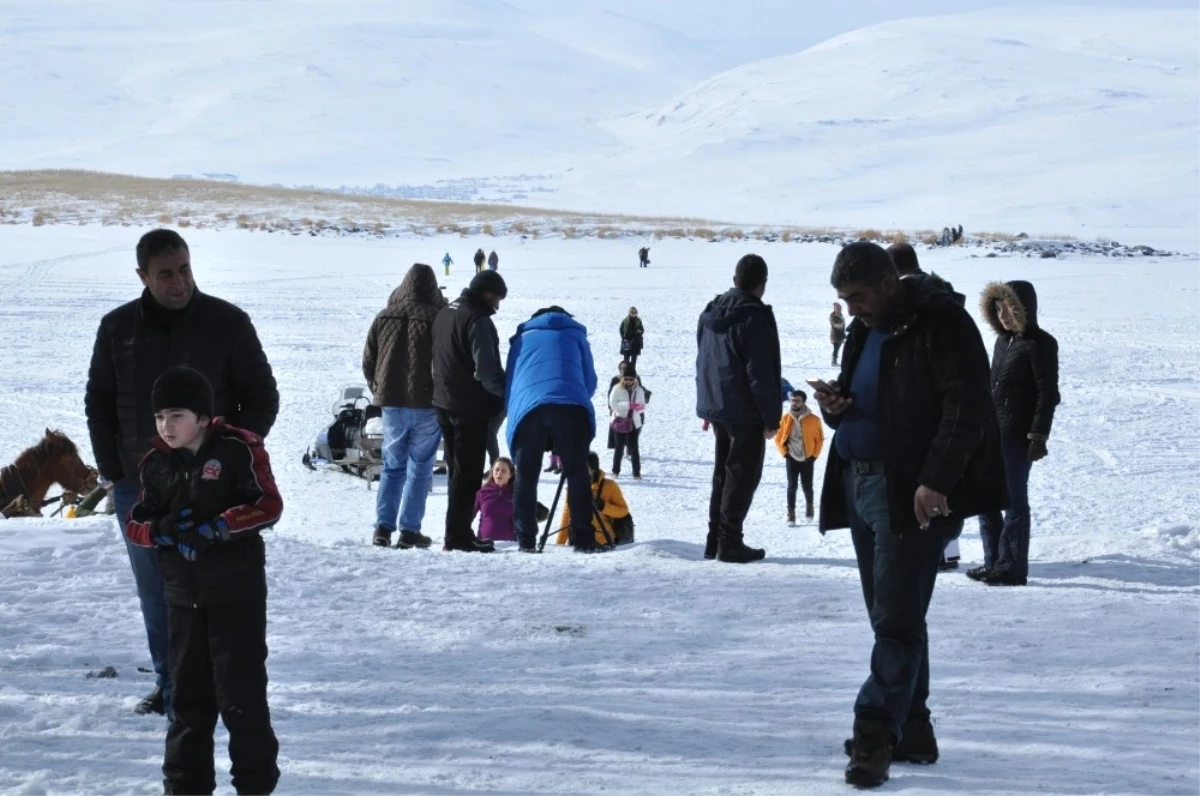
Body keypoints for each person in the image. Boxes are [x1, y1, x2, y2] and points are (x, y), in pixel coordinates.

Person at [813, 242, 1005, 788]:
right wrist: (836, 407)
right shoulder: (861, 330)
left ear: (889, 283)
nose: (851, 309)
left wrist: (936, 480)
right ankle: (913, 731)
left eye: (858, 297)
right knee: (892, 621)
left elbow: (968, 407)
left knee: (895, 623)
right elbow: (865, 397)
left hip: (911, 494)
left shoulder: (944, 323)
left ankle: (872, 736)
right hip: (858, 483)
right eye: (844, 299)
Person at [85, 229, 278, 720]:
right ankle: (173, 684)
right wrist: (113, 468)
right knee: (157, 588)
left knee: (216, 586)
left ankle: (218, 684)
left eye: (185, 269)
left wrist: (232, 455)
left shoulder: (227, 323)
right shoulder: (116, 329)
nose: (180, 282)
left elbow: (260, 395)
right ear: (143, 276)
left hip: (215, 483)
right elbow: (100, 403)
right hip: (142, 483)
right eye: (166, 274)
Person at [126, 366, 281, 796]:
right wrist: (163, 529)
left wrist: (220, 527)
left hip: (236, 593)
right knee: (187, 703)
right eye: (159, 417)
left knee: (242, 699)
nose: (166, 426)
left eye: (176, 415)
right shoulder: (156, 461)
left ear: (201, 416)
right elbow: (135, 522)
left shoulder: (237, 448)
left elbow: (268, 504)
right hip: (181, 597)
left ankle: (254, 787)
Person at [971, 280, 1060, 586]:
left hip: (1017, 436)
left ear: (1025, 309)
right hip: (991, 433)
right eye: (998, 309)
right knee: (986, 498)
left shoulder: (1040, 343)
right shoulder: (1002, 342)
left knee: (1013, 500)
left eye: (1009, 308)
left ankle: (1012, 567)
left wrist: (1038, 435)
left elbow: (1047, 394)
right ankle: (993, 561)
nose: (1004, 314)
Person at [696, 253, 782, 564]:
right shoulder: (754, 317)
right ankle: (728, 542)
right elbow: (759, 372)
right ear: (763, 285)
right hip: (744, 410)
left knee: (723, 473)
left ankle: (715, 540)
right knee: (741, 475)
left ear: (735, 280)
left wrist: (707, 401)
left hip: (718, 404)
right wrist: (771, 417)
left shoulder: (710, 312)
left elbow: (703, 356)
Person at [886, 242, 966, 571]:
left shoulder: (914, 299)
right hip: (942, 402)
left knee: (928, 478)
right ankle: (949, 551)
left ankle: (936, 549)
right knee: (946, 482)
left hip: (924, 406)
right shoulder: (941, 292)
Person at [362, 263, 446, 550]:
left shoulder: (383, 316)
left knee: (392, 466)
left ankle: (383, 529)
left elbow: (369, 361)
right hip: (427, 403)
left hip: (392, 403)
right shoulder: (438, 318)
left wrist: (379, 389)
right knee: (420, 467)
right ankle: (409, 531)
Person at [505, 305, 600, 552]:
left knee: (526, 477)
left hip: (528, 409)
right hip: (570, 407)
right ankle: (583, 539)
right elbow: (589, 382)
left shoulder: (521, 339)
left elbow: (510, 385)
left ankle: (526, 541)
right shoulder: (576, 335)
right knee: (577, 473)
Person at [432, 270, 508, 553]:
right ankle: (458, 537)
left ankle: (457, 532)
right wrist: (506, 393)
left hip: (443, 402)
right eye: (497, 299)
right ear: (488, 294)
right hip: (469, 407)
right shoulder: (478, 320)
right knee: (467, 475)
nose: (497, 306)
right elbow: (486, 372)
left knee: (456, 472)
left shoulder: (445, 313)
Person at [555, 451, 629, 547]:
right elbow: (566, 518)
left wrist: (604, 507)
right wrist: (559, 545)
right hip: (577, 541)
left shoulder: (609, 486)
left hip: (604, 540)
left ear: (593, 468)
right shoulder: (573, 487)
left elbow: (623, 511)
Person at [774, 389, 824, 525]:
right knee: (792, 486)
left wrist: (814, 456)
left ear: (803, 402)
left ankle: (809, 508)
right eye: (792, 400)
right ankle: (791, 515)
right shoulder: (786, 418)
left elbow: (820, 439)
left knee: (807, 486)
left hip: (808, 457)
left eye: (797, 401)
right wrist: (785, 453)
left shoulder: (814, 419)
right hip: (791, 456)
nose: (794, 403)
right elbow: (778, 438)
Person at [608, 364, 647, 479]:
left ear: (635, 379)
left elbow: (643, 405)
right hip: (619, 420)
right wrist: (628, 405)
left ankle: (636, 472)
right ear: (622, 379)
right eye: (626, 379)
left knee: (634, 447)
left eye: (631, 379)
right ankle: (615, 471)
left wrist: (639, 408)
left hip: (634, 421)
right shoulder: (617, 388)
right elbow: (613, 404)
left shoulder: (639, 390)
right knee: (619, 447)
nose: (629, 381)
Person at [475, 458, 516, 543]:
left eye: (503, 471)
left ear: (510, 474)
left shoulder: (517, 494)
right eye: (496, 470)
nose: (499, 473)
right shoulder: (482, 492)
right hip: (485, 544)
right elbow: (467, 516)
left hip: (512, 545)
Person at [830, 302, 847, 366]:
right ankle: (833, 362)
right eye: (837, 308)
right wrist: (840, 325)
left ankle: (835, 362)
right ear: (834, 308)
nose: (839, 309)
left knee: (838, 348)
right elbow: (833, 324)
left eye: (840, 307)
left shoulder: (841, 315)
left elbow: (842, 327)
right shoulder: (833, 315)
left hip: (840, 335)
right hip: (835, 336)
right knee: (836, 349)